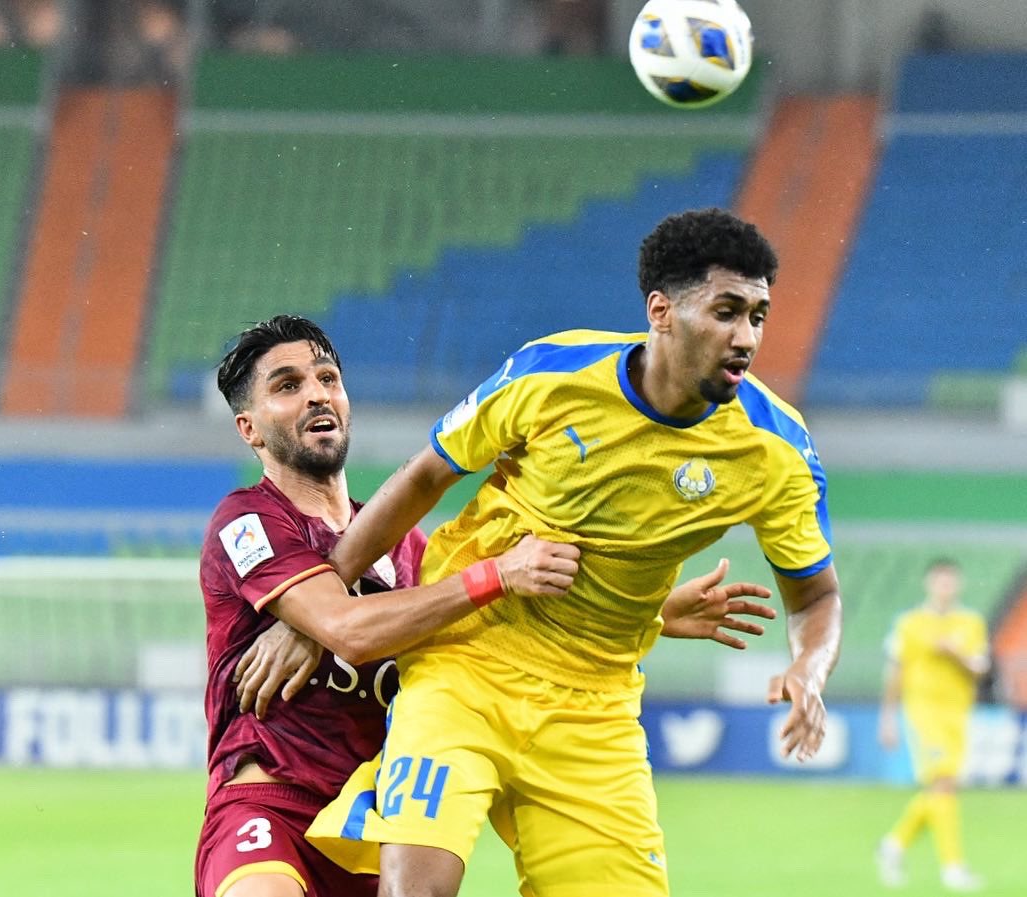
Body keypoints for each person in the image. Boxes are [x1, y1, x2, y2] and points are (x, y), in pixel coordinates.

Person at [307, 207, 844, 896]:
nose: (746, 337)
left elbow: (816, 593)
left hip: (595, 707)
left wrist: (809, 663)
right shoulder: (549, 374)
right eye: (726, 311)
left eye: (758, 316)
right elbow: (424, 477)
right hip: (465, 663)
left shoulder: (776, 451)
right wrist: (324, 596)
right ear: (660, 309)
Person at [196, 314, 778, 897]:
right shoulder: (250, 521)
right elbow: (352, 630)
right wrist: (492, 573)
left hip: (371, 817)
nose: (317, 393)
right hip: (269, 805)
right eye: (288, 385)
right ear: (250, 428)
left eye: (327, 378)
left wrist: (653, 612)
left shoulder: (408, 549)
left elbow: (495, 626)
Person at [876, 558, 990, 892]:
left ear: (958, 585)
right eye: (940, 581)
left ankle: (892, 845)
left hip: (958, 714)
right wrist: (887, 717)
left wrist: (956, 653)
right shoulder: (909, 624)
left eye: (950, 581)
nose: (945, 587)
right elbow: (895, 670)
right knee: (942, 783)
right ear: (929, 584)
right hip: (923, 712)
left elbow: (981, 667)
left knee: (945, 786)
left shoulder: (970, 623)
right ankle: (953, 869)